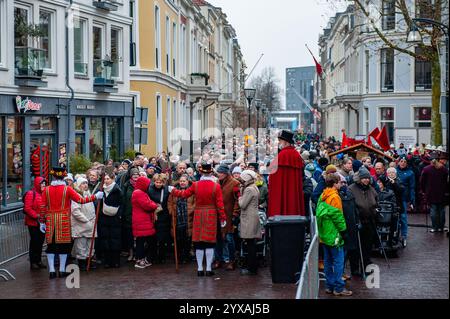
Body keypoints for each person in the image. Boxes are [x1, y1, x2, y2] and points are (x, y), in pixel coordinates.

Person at [40, 167, 103, 279]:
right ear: (63, 177)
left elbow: (43, 207)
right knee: (64, 246)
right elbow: (81, 200)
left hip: (50, 220)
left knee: (51, 246)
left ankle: (52, 271)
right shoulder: (67, 189)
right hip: (64, 219)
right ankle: (63, 270)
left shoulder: (46, 190)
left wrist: (42, 221)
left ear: (53, 177)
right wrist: (95, 197)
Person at [168, 163, 227, 277]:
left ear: (200, 172)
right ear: (211, 172)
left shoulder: (195, 185)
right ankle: (209, 269)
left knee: (199, 242)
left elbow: (184, 194)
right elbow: (220, 205)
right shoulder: (216, 186)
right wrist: (223, 217)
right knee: (209, 242)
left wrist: (173, 190)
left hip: (199, 214)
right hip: (211, 214)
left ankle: (200, 269)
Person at [316, 173, 352, 296]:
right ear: (335, 184)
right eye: (340, 182)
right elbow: (338, 217)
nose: (341, 184)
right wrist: (344, 232)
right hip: (334, 234)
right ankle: (339, 287)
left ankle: (329, 286)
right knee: (338, 261)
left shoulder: (323, 195)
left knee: (327, 261)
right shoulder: (335, 197)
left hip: (324, 233)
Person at [267, 130, 305, 217]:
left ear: (285, 142)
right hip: (293, 195)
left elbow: (273, 176)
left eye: (280, 140)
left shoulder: (281, 155)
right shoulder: (296, 155)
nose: (279, 142)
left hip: (280, 193)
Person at [348, 167, 378, 269]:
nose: (366, 180)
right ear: (359, 178)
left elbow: (376, 201)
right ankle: (355, 268)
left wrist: (375, 211)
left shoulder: (371, 189)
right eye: (364, 178)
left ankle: (366, 265)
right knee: (356, 246)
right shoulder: (351, 189)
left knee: (367, 245)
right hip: (357, 222)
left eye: (368, 178)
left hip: (369, 222)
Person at [214, 164, 240, 271]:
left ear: (225, 173)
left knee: (229, 239)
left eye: (219, 173)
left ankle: (231, 261)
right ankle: (218, 260)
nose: (218, 174)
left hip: (229, 215)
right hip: (218, 215)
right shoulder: (217, 183)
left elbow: (238, 201)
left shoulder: (235, 183)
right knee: (217, 238)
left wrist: (235, 214)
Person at [132, 176, 159, 268]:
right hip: (142, 221)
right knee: (145, 241)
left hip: (141, 220)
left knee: (141, 241)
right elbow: (147, 205)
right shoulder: (139, 193)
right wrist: (155, 205)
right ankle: (141, 261)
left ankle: (140, 259)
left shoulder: (138, 192)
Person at [237, 170, 261, 276]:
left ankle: (252, 268)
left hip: (249, 218)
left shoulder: (249, 190)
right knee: (251, 243)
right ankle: (252, 267)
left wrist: (240, 197)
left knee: (250, 244)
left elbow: (242, 204)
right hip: (253, 216)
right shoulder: (254, 187)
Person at [97, 170, 123, 268]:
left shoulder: (117, 190)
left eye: (108, 179)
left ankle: (115, 261)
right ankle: (107, 261)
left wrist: (119, 215)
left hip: (115, 219)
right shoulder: (101, 190)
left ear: (113, 179)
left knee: (115, 240)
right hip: (104, 219)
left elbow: (121, 204)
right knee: (105, 240)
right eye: (105, 179)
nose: (106, 181)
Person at [168, 175, 195, 264]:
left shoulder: (192, 190)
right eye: (181, 181)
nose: (182, 182)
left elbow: (195, 202)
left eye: (184, 181)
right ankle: (179, 256)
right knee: (178, 239)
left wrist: (190, 210)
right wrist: (171, 211)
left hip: (188, 218)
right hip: (177, 218)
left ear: (187, 181)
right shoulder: (174, 190)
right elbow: (169, 203)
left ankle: (186, 256)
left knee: (187, 239)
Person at [71, 177, 97, 271]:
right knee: (81, 245)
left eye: (86, 183)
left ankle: (89, 261)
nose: (85, 185)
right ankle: (82, 263)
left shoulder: (88, 194)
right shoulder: (76, 196)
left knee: (90, 245)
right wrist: (85, 220)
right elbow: (75, 211)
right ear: (78, 185)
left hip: (91, 224)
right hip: (81, 225)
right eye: (83, 183)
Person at [338, 174, 361, 278]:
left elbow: (355, 210)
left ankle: (342, 272)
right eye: (341, 183)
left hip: (351, 226)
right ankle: (340, 273)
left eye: (344, 183)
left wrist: (357, 221)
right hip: (342, 227)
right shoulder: (337, 196)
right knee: (341, 252)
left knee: (347, 251)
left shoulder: (350, 195)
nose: (343, 184)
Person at [420, 151, 449, 233]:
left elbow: (422, 181)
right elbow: (447, 181)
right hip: (442, 193)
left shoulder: (426, 169)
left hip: (430, 193)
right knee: (441, 210)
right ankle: (441, 227)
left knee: (433, 210)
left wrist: (423, 190)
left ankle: (434, 227)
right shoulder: (443, 169)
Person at [23, 176, 46, 270]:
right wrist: (37, 216)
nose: (44, 185)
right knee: (34, 242)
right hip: (33, 223)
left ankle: (39, 261)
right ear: (37, 184)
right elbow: (27, 208)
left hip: (42, 223)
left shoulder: (44, 194)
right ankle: (33, 262)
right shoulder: (30, 193)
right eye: (42, 183)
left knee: (40, 242)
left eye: (44, 183)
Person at [148, 173, 171, 264]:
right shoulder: (150, 189)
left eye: (160, 182)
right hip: (153, 215)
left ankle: (162, 256)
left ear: (163, 182)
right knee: (152, 238)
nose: (158, 184)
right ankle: (153, 255)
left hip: (164, 216)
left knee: (162, 239)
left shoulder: (166, 190)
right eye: (156, 182)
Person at [121, 167, 140, 262]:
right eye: (133, 174)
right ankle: (131, 252)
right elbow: (123, 199)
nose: (135, 176)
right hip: (128, 213)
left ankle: (138, 254)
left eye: (137, 174)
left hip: (139, 214)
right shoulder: (126, 185)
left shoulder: (142, 185)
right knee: (129, 235)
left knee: (139, 235)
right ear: (131, 176)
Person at [396, 156, 415, 247]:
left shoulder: (410, 173)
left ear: (407, 163)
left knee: (403, 217)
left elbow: (412, 187)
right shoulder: (394, 171)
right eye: (401, 161)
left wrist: (412, 200)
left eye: (404, 161)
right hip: (394, 197)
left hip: (403, 198)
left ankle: (404, 235)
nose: (402, 163)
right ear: (398, 162)